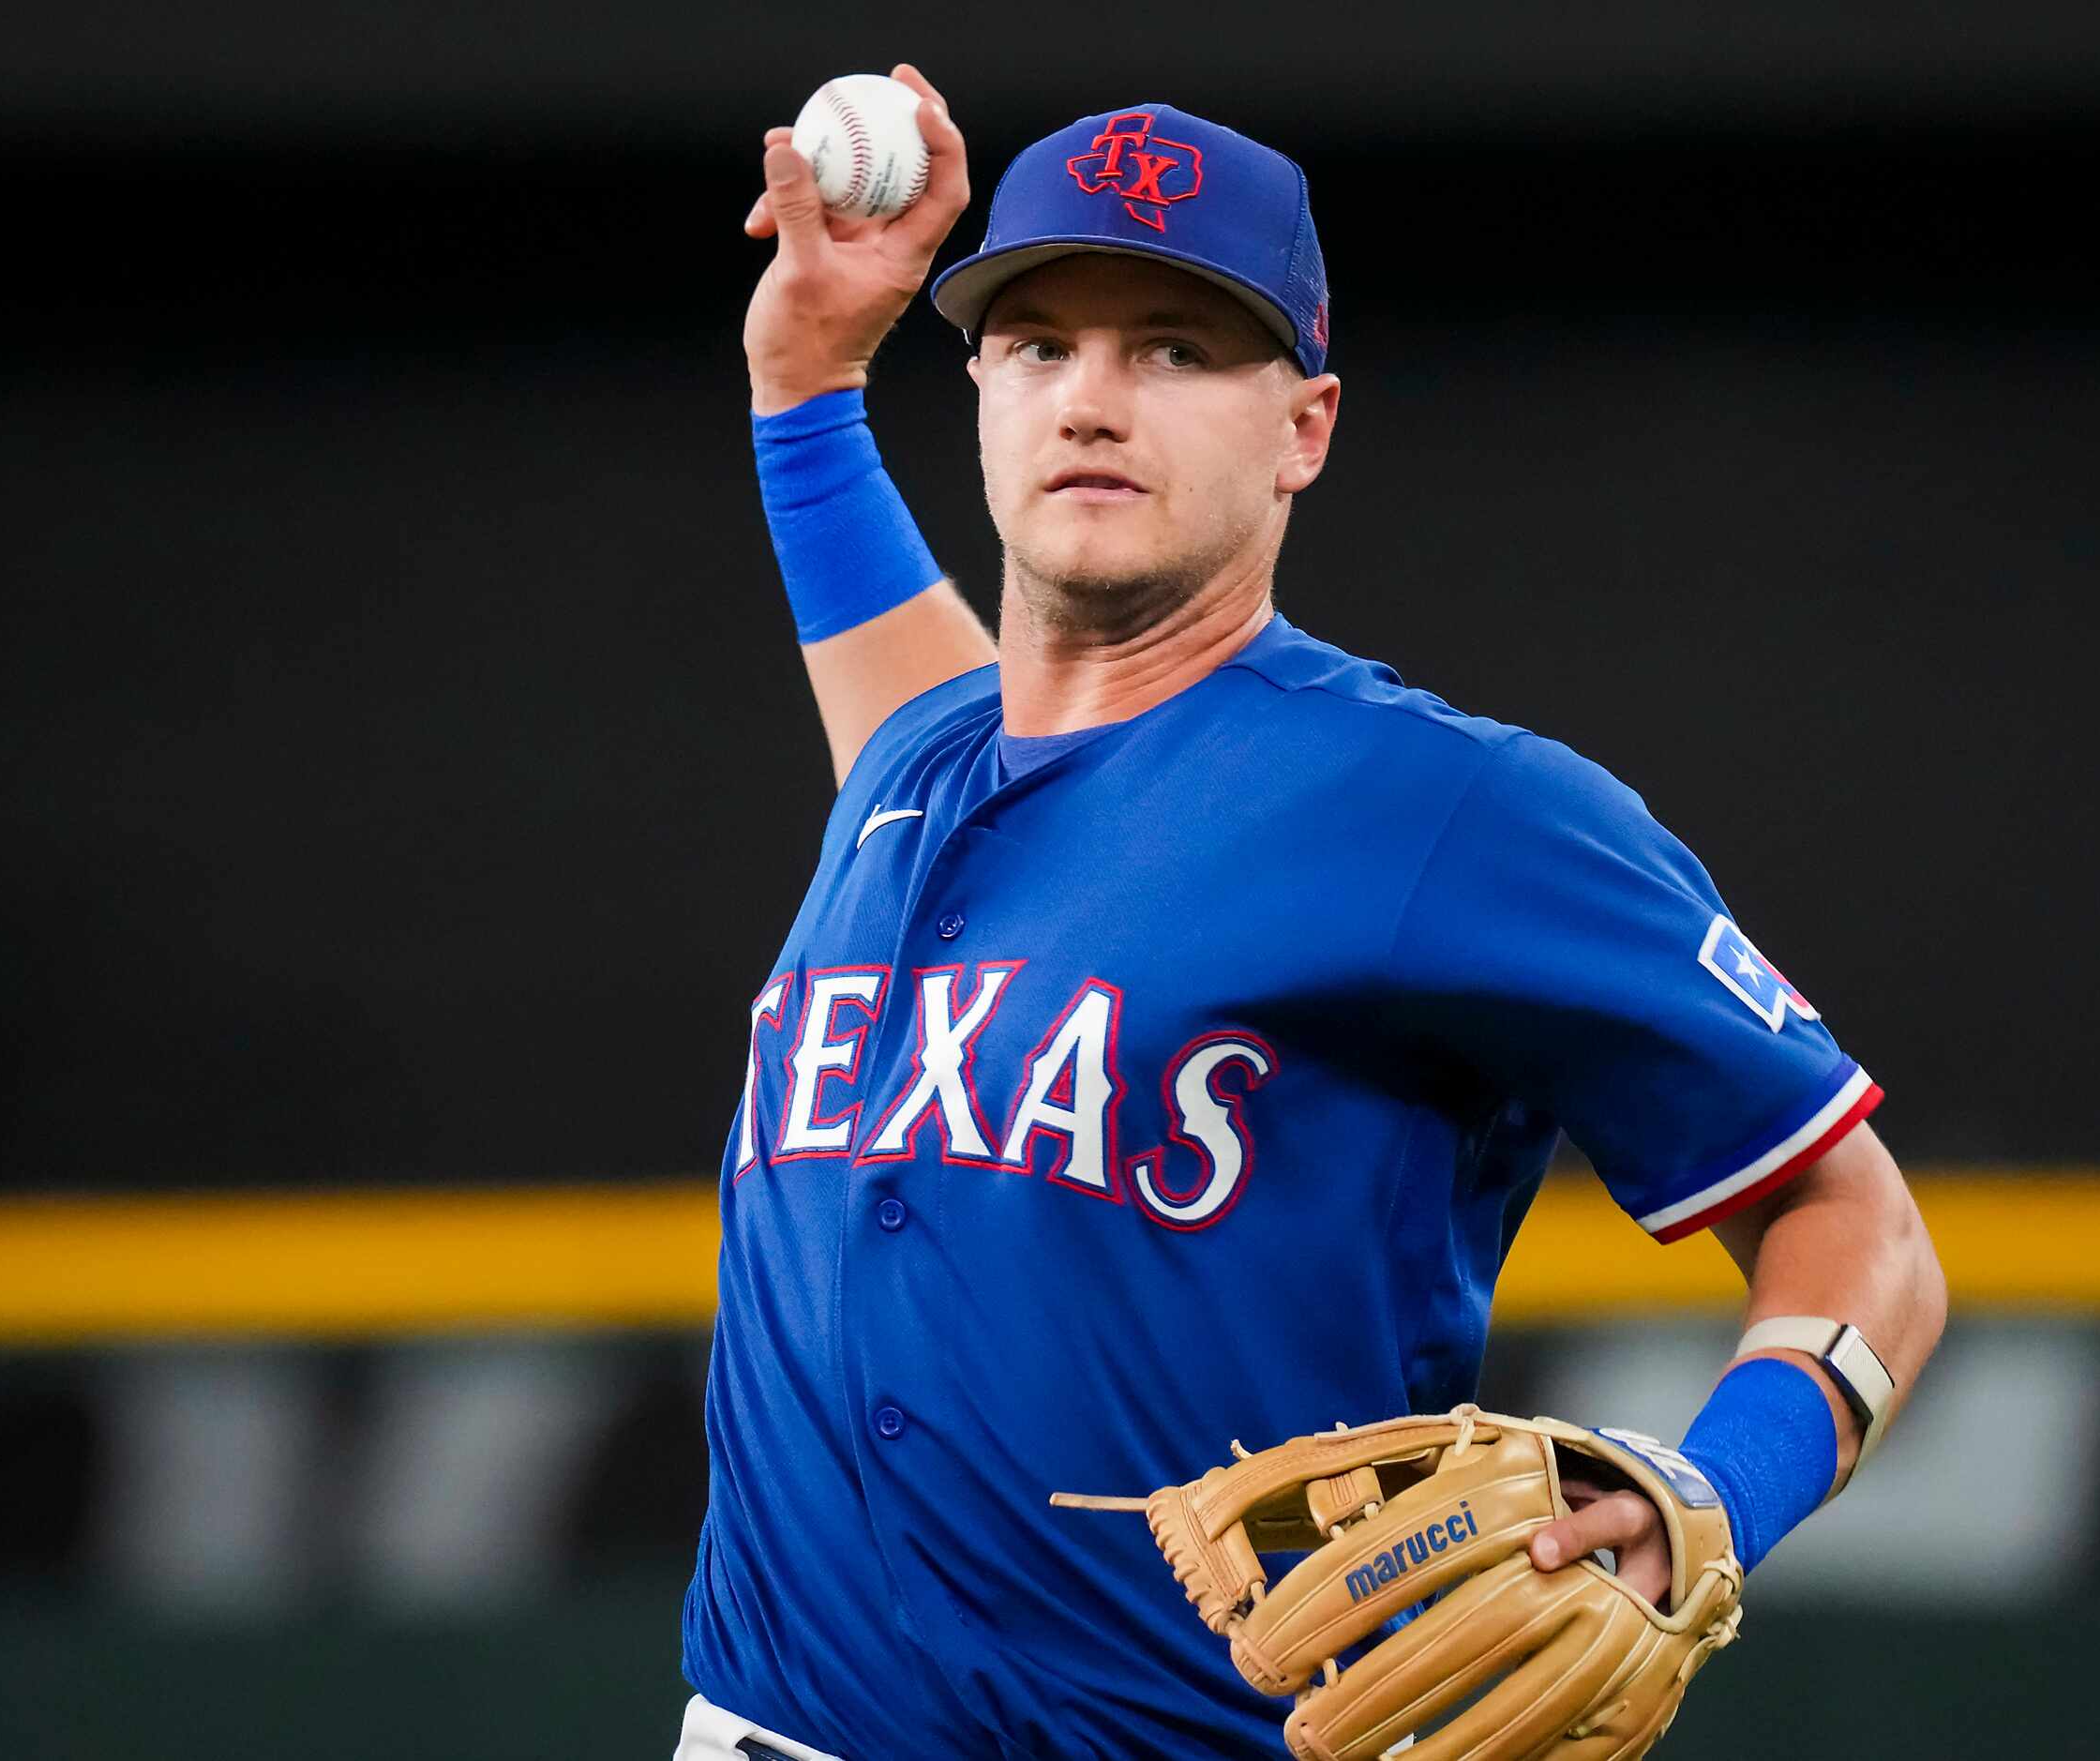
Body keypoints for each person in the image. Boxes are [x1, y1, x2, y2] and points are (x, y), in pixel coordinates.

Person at [675, 65, 1948, 1761]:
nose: (1093, 401)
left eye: (1178, 349)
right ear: (978, 393)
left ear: (1306, 428)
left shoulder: (1447, 810)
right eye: (1042, 344)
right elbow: (930, 695)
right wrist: (807, 379)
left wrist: (1715, 1486)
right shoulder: (921, 766)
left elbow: (1867, 1229)